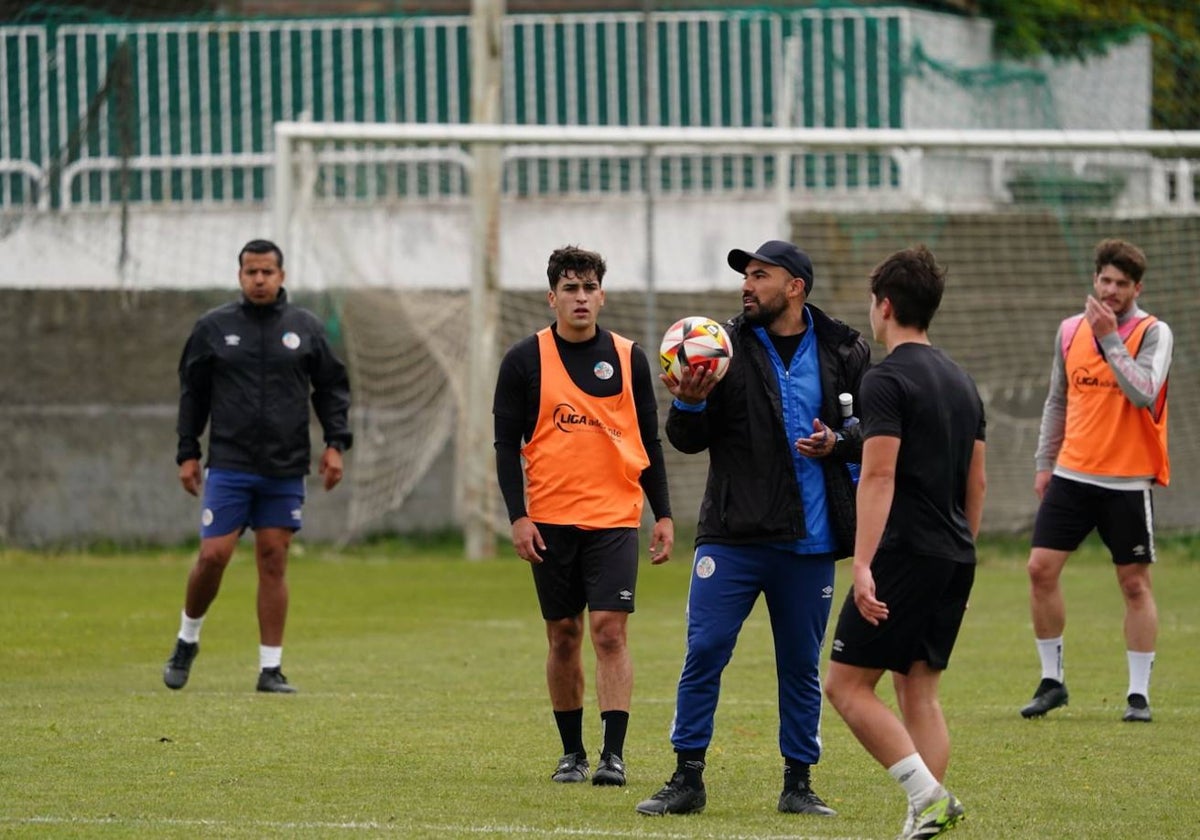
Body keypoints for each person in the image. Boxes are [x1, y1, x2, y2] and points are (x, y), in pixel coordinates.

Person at [635, 240, 870, 818]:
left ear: (795, 286)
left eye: (760, 275)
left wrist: (837, 442)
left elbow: (874, 429)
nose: (747, 285)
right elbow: (688, 440)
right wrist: (688, 405)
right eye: (745, 276)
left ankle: (798, 784)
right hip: (733, 535)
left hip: (811, 540)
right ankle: (687, 777)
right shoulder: (722, 347)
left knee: (800, 664)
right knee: (706, 649)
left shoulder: (844, 348)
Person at [492, 245, 675, 788]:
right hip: (549, 519)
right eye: (569, 288)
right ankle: (571, 752)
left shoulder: (628, 356)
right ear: (552, 297)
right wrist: (518, 517)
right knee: (564, 635)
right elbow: (506, 446)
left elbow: (649, 441)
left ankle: (612, 756)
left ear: (602, 295)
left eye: (589, 287)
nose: (580, 297)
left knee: (609, 632)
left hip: (615, 517)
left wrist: (662, 513)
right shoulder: (524, 360)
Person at [823, 244, 986, 840]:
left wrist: (863, 562)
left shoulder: (885, 379)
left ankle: (929, 798)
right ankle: (924, 820)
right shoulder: (962, 381)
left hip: (904, 554)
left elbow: (879, 474)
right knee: (918, 690)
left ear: (885, 306)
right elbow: (979, 480)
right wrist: (962, 555)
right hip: (952, 555)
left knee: (844, 685)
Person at [164, 239, 352, 694]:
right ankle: (187, 638)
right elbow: (193, 392)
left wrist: (335, 444)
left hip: (285, 467)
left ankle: (271, 668)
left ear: (282, 275)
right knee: (214, 556)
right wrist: (187, 450)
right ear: (240, 276)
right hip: (229, 462)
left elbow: (331, 388)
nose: (260, 279)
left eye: (268, 271)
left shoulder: (304, 327)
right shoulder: (214, 328)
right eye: (251, 272)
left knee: (273, 559)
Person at [1020, 238, 1172, 723]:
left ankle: (1138, 694)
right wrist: (1045, 463)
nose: (1110, 290)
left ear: (1136, 288)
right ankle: (1051, 681)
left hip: (1127, 481)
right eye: (1104, 280)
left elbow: (1144, 392)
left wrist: (1109, 339)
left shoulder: (1153, 332)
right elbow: (1057, 401)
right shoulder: (1069, 330)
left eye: (1121, 284)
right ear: (1095, 279)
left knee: (1133, 584)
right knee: (1039, 570)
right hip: (1071, 474)